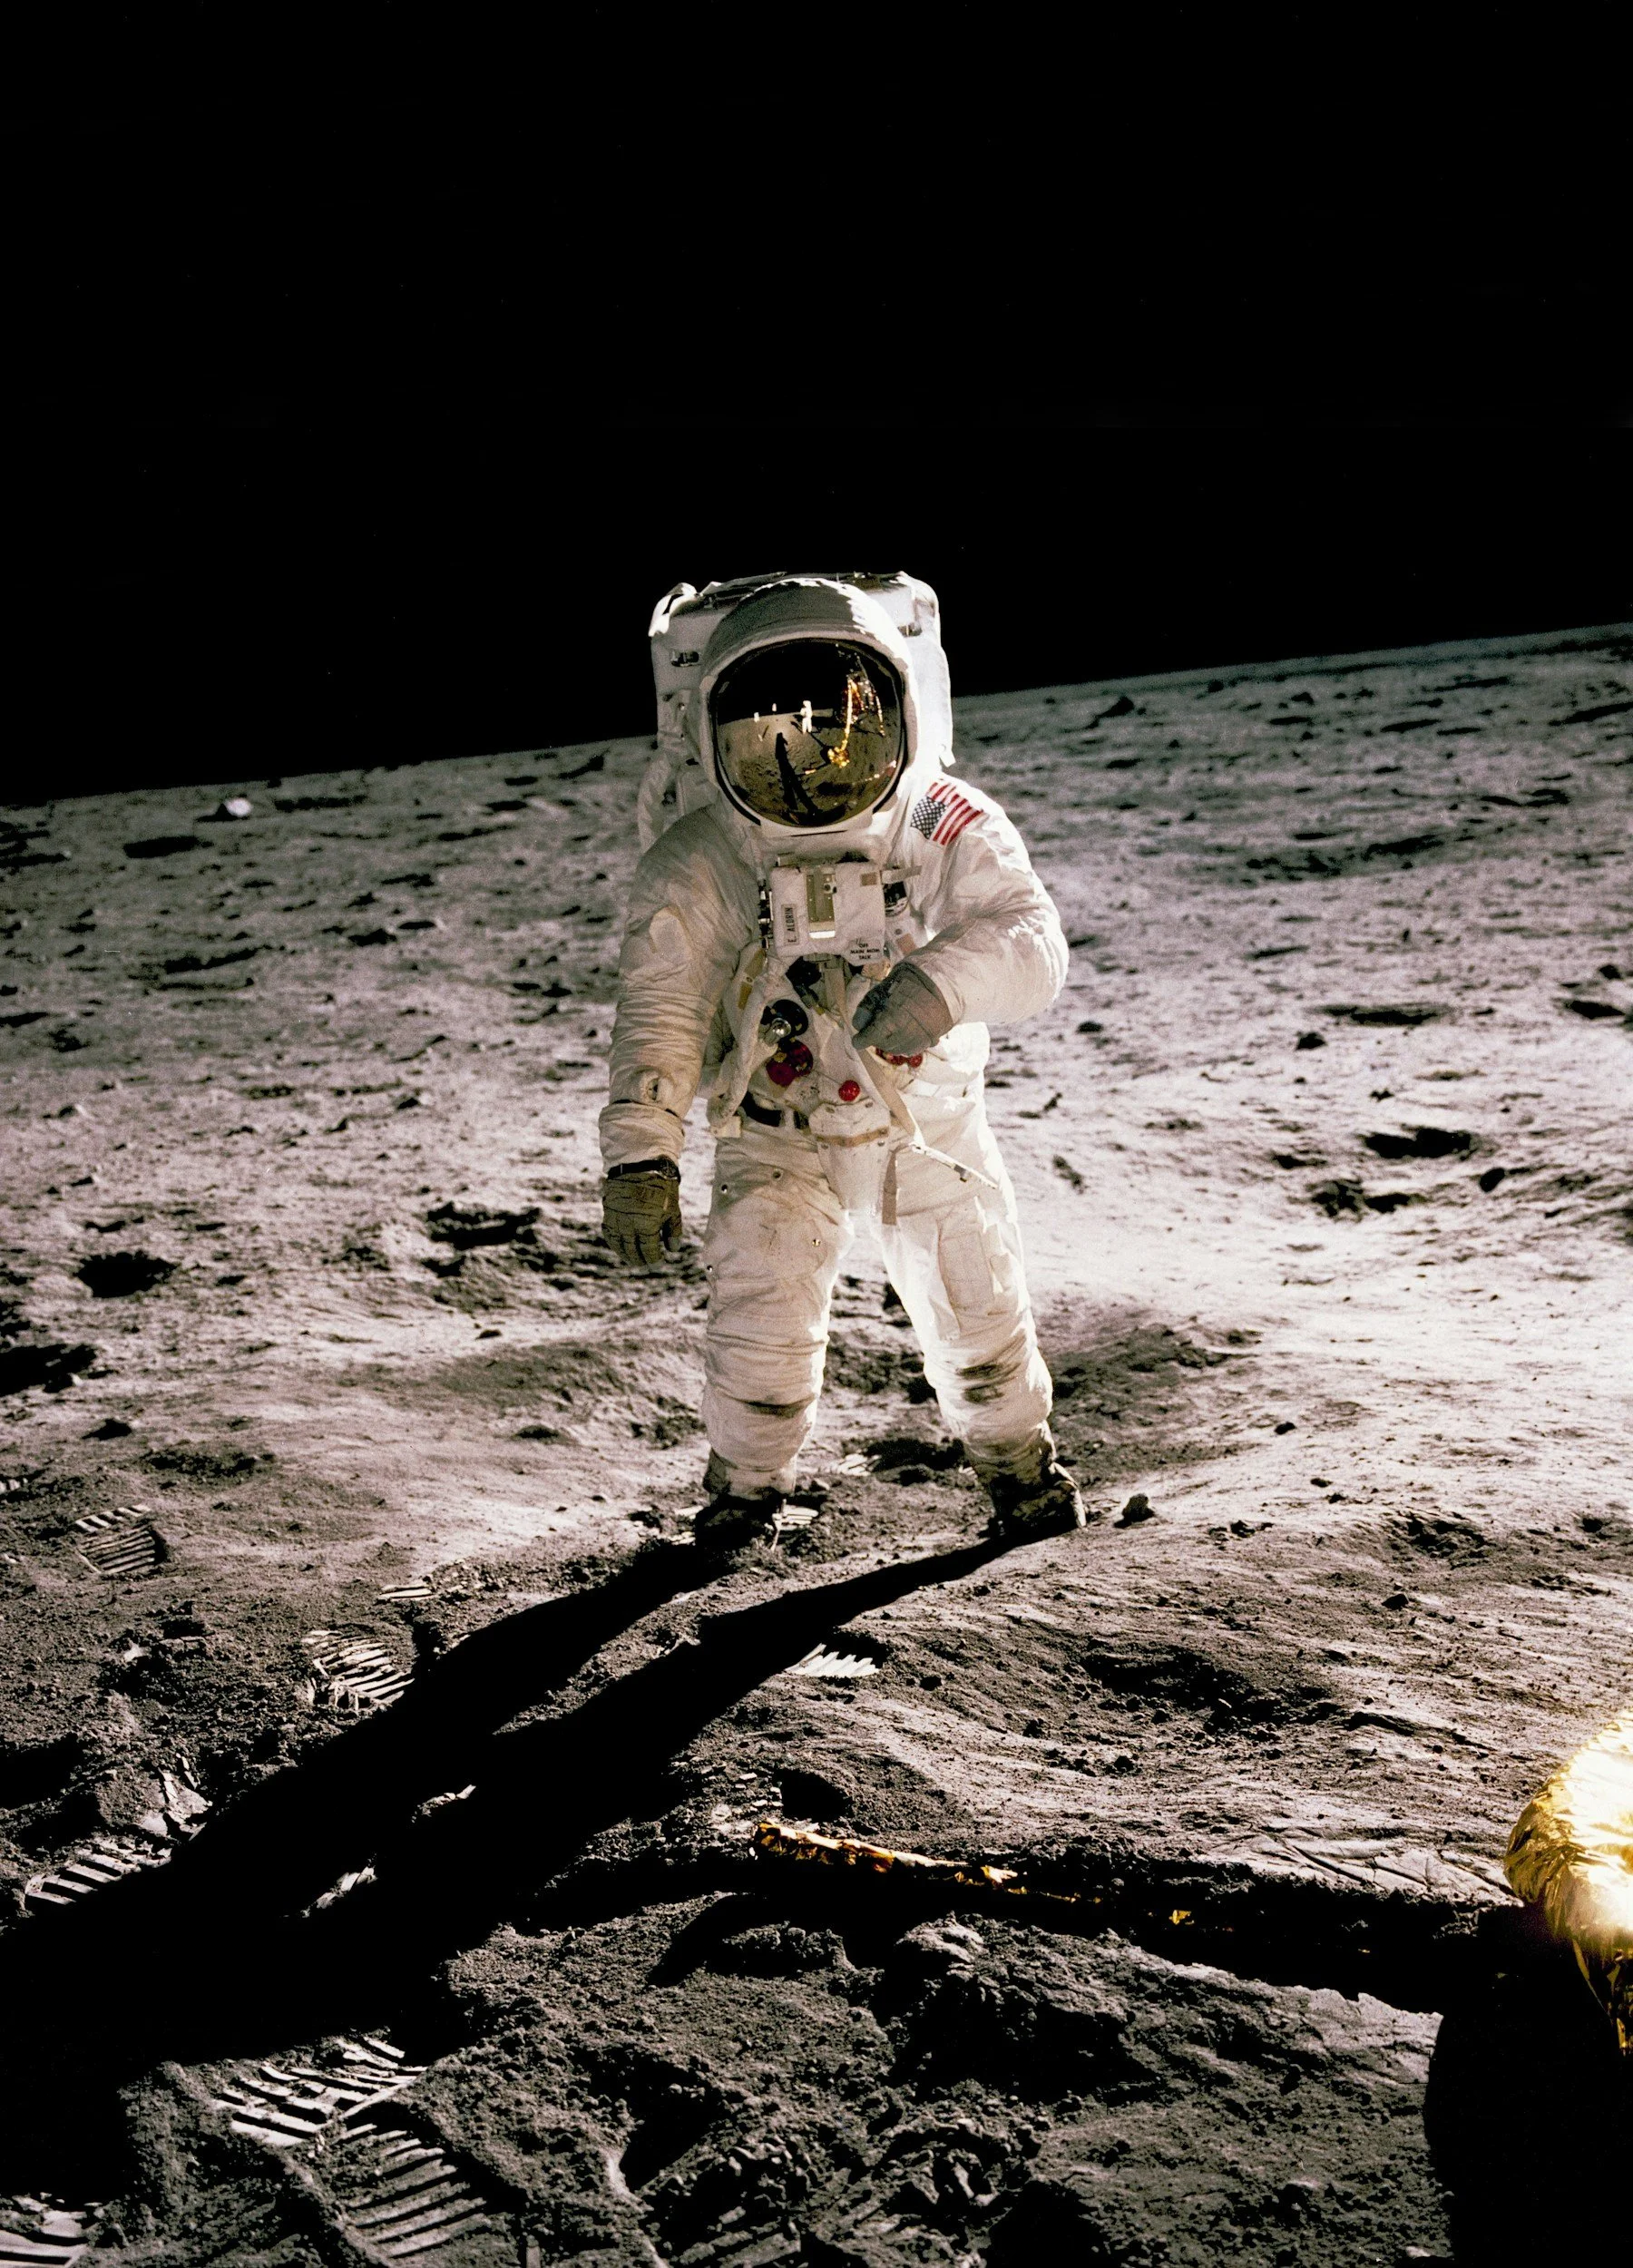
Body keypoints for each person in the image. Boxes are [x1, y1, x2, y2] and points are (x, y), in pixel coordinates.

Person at [599, 572, 1086, 1550]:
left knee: (976, 1303)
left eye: (842, 728)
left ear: (899, 711)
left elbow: (1032, 937)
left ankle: (1020, 1467)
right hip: (771, 1129)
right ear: (714, 742)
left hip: (923, 1123)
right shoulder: (710, 858)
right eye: (764, 741)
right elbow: (662, 1005)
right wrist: (641, 1152)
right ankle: (743, 1492)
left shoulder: (940, 821)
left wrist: (941, 986)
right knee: (759, 1324)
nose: (807, 767)